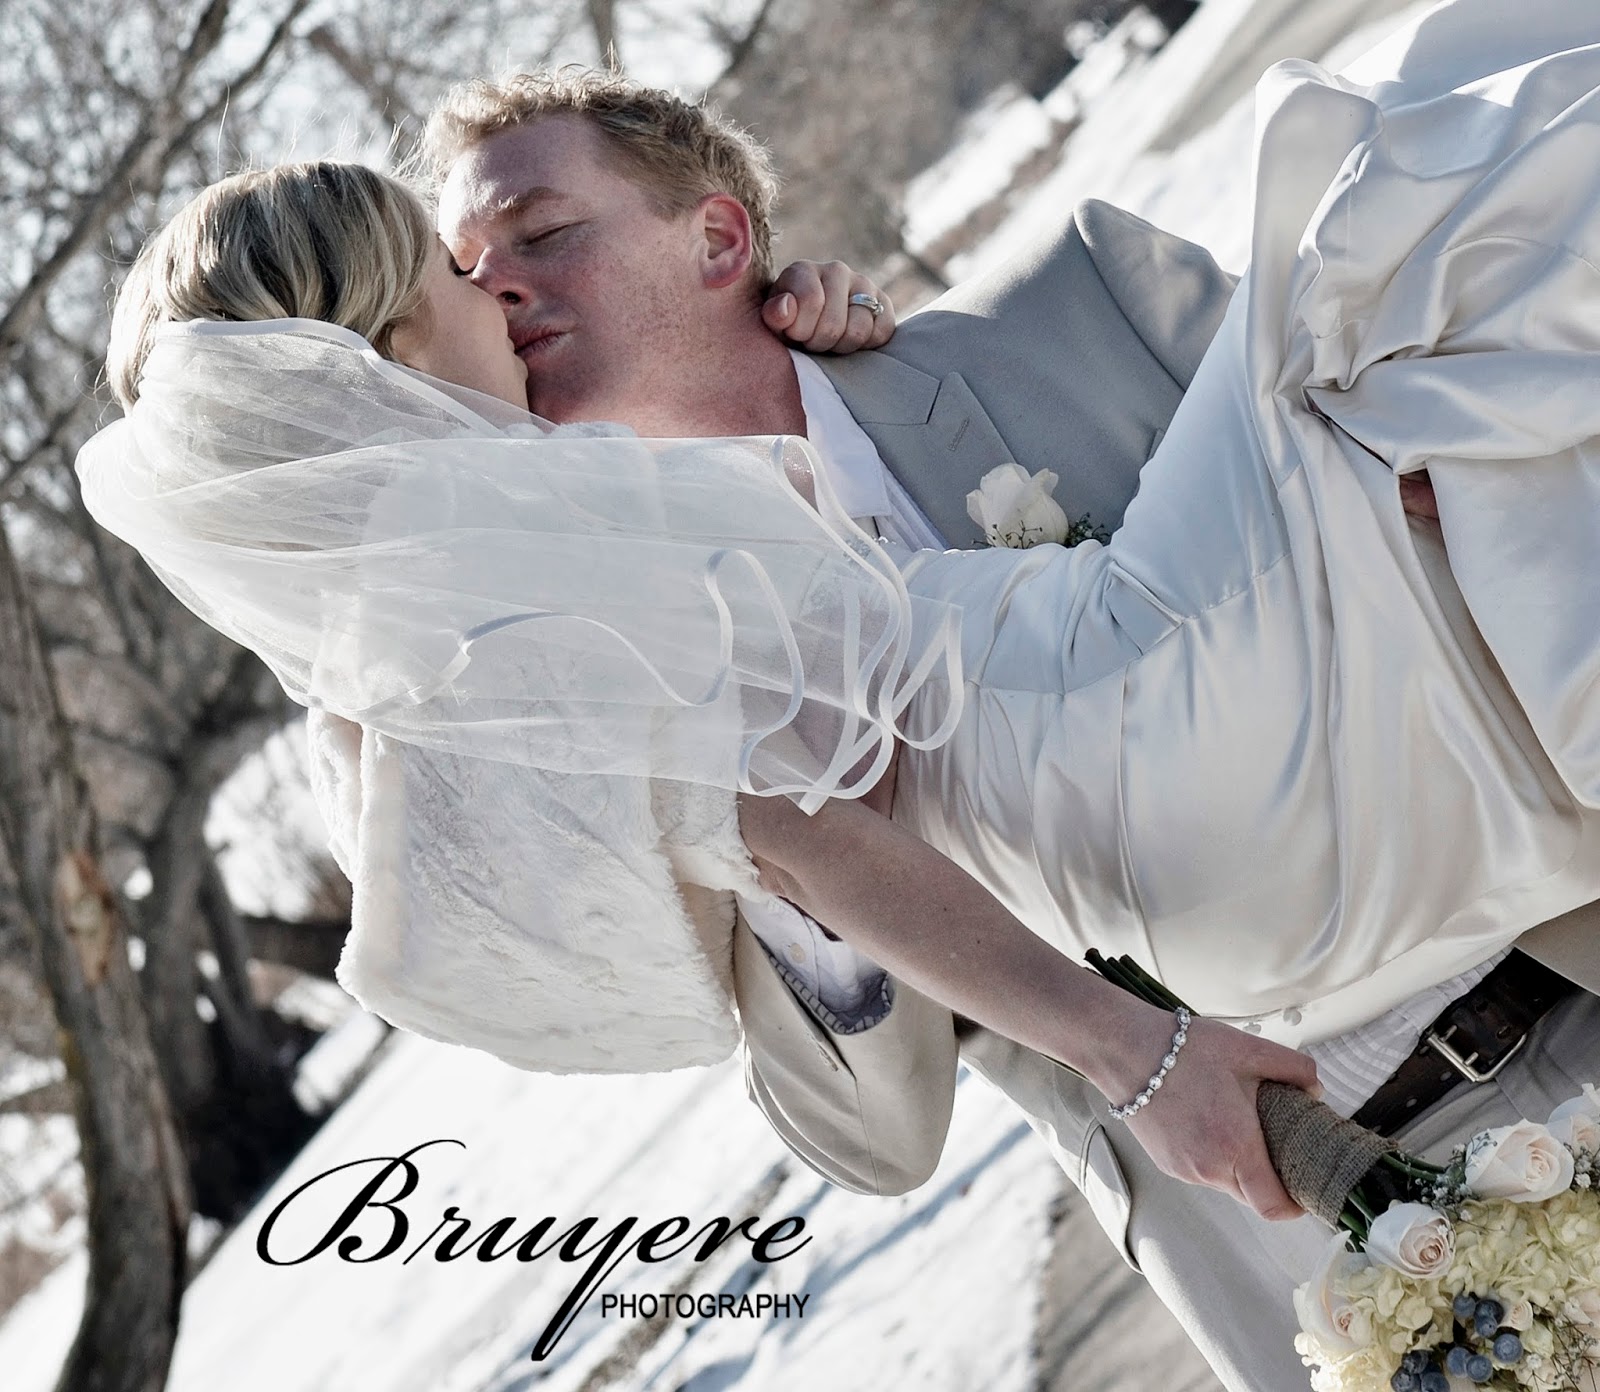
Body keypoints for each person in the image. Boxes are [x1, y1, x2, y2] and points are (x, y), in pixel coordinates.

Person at [76, 2, 1600, 1385]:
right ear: (385, 359)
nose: (501, 284)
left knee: (1411, 268)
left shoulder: (1068, 312)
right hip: (1288, 1229)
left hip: (1552, 972)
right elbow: (861, 1119)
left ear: (718, 240)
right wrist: (848, 922)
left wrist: (1416, 497)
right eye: (464, 268)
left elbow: (1482, 500)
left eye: (537, 234)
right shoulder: (559, 645)